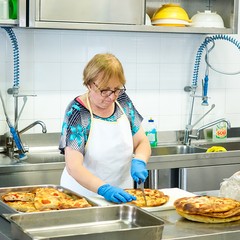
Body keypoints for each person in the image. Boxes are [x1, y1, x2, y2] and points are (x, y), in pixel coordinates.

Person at [59, 53, 151, 204]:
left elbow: (142, 141)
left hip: (122, 194)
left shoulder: (123, 101)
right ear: (89, 84)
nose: (111, 97)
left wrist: (140, 160)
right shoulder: (78, 112)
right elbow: (73, 167)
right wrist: (104, 189)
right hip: (83, 197)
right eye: (104, 90)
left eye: (116, 89)